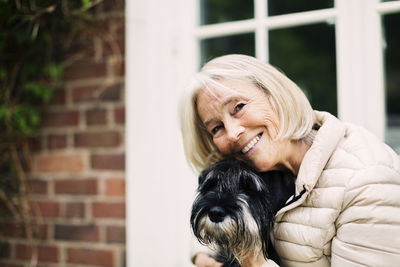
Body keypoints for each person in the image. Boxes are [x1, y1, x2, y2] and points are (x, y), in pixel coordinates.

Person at [179, 54, 400, 267]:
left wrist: (253, 263)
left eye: (239, 107)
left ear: (275, 95)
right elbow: (220, 207)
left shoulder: (368, 184)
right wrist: (205, 252)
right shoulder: (255, 161)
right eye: (216, 127)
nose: (232, 132)